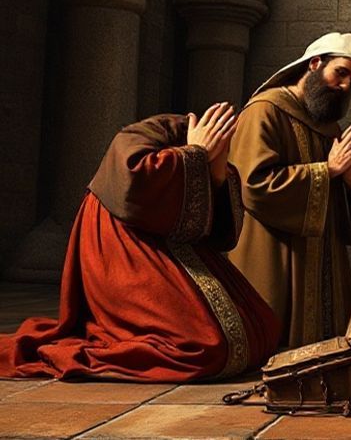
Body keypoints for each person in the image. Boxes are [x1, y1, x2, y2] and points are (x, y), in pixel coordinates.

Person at [0, 104, 280, 382]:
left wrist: (216, 174)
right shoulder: (141, 138)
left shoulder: (191, 149)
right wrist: (197, 153)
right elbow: (136, 184)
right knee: (205, 346)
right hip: (120, 248)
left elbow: (204, 226)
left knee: (262, 327)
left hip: (158, 243)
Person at [228, 32, 351, 348]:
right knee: (273, 345)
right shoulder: (265, 111)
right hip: (275, 255)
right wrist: (328, 171)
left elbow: (341, 196)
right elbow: (252, 184)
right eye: (341, 73)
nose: (346, 85)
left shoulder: (328, 127)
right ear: (315, 63)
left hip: (324, 260)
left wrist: (350, 180)